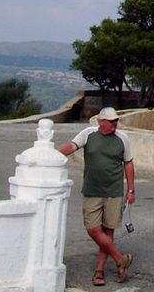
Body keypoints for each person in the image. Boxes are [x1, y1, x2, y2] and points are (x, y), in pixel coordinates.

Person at [59, 106, 135, 285]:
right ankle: (120, 259)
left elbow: (128, 163)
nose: (114, 125)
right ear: (101, 121)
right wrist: (52, 155)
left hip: (113, 191)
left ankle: (99, 271)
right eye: (110, 122)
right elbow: (72, 146)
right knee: (93, 229)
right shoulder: (89, 134)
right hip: (92, 190)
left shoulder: (122, 138)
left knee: (108, 231)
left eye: (116, 121)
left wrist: (131, 190)